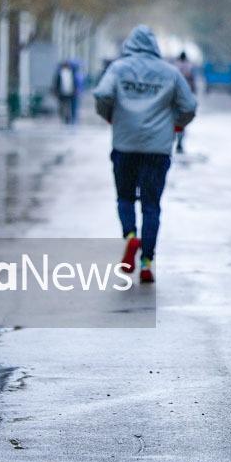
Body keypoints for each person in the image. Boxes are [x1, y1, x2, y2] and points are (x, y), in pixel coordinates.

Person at [94, 26, 197, 283]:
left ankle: (130, 236)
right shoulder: (170, 73)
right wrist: (175, 125)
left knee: (125, 198)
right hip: (157, 150)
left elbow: (103, 94)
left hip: (125, 145)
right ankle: (147, 261)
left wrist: (111, 117)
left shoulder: (118, 69)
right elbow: (189, 106)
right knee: (151, 206)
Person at [173, 52, 197, 154]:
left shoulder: (175, 67)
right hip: (185, 98)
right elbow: (192, 83)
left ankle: (174, 139)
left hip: (175, 97)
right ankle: (179, 141)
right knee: (182, 122)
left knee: (173, 120)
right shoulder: (189, 68)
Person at [54, 60, 77, 124]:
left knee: (67, 105)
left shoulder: (71, 73)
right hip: (61, 92)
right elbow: (56, 83)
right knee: (62, 105)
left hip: (69, 92)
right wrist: (56, 91)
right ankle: (63, 115)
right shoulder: (59, 74)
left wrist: (74, 90)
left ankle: (67, 117)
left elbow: (73, 83)